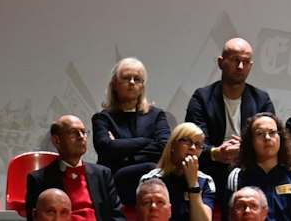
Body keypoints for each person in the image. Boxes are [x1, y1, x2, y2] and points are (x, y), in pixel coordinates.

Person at [188, 38, 278, 196]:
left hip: (250, 170)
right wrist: (216, 153)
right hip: (212, 169)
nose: (240, 66)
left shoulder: (261, 99)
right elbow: (193, 142)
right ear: (221, 62)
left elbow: (272, 139)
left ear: (251, 66)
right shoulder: (202, 98)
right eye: (235, 60)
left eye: (246, 61)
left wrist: (244, 150)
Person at [94, 57, 173, 198]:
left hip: (152, 174)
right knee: (151, 169)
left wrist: (125, 154)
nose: (131, 83)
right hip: (117, 178)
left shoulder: (156, 115)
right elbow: (105, 148)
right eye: (126, 78)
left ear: (142, 86)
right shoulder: (103, 118)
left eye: (137, 79)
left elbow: (165, 147)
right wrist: (147, 141)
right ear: (114, 84)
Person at [26, 115, 125, 221]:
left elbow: (117, 217)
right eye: (73, 132)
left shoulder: (103, 174)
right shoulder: (38, 179)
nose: (81, 137)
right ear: (56, 140)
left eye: (84, 132)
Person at [228, 113, 291, 221]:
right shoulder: (237, 177)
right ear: (250, 141)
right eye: (260, 133)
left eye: (272, 132)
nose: (267, 138)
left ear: (280, 137)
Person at [149, 125, 216, 221]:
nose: (193, 148)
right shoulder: (153, 179)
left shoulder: (206, 181)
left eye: (198, 144)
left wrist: (193, 184)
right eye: (187, 141)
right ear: (172, 146)